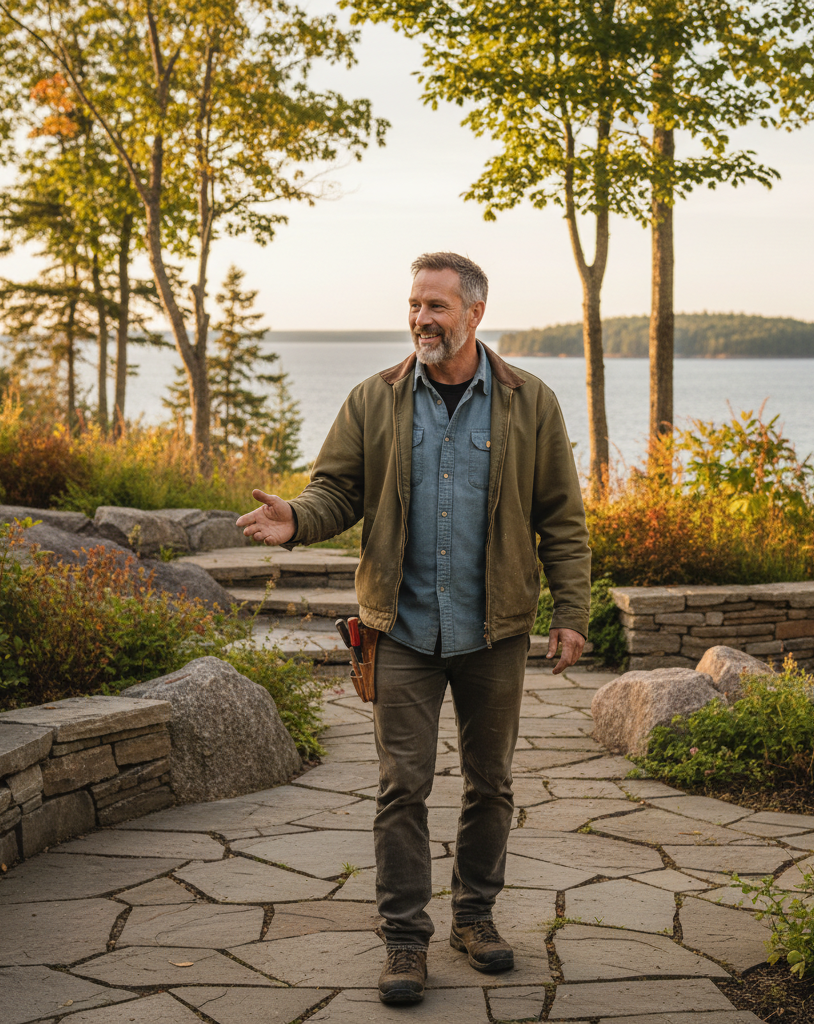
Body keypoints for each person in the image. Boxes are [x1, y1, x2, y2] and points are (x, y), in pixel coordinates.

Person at [237, 252, 591, 1004]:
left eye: (436, 306)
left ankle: (474, 918)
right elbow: (338, 489)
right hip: (399, 629)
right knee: (403, 786)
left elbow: (562, 517)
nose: (422, 319)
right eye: (414, 305)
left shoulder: (531, 403)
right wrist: (298, 518)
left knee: (490, 784)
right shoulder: (377, 399)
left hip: (493, 632)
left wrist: (573, 614)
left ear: (474, 313)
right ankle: (403, 941)